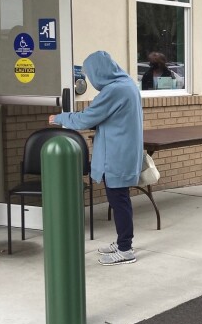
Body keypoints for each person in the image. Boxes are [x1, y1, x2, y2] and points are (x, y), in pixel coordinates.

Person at [49, 51, 144, 266]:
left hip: (117, 154)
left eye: (91, 75)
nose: (91, 80)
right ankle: (122, 242)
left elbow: (87, 118)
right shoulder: (127, 85)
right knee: (120, 198)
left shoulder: (114, 90)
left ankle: (126, 249)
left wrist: (60, 118)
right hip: (124, 150)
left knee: (118, 200)